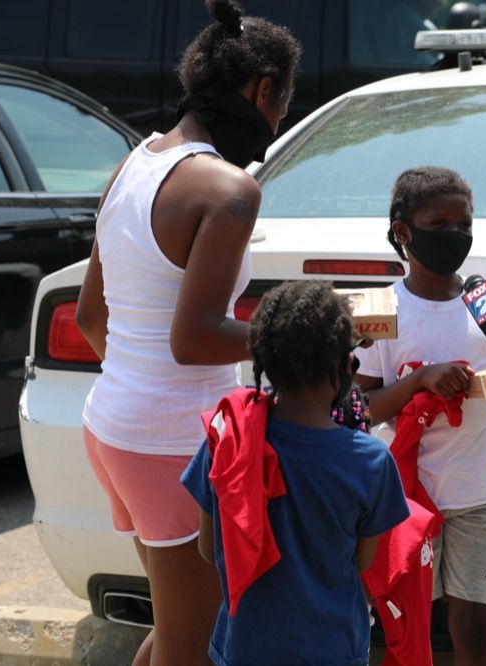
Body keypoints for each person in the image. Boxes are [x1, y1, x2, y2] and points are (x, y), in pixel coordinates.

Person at [73, 1, 300, 664]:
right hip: (173, 443)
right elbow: (195, 339)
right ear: (264, 91)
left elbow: (93, 317)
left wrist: (136, 396)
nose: (278, 120)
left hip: (114, 428)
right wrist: (302, 336)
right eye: (283, 103)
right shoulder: (230, 189)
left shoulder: (133, 164)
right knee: (191, 643)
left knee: (176, 629)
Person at [181, 280, 410, 665]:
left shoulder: (228, 437)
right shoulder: (370, 461)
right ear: (344, 365)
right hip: (331, 648)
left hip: (244, 648)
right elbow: (361, 562)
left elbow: (208, 548)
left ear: (265, 359)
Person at [354, 167, 486, 666]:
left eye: (463, 224)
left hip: (476, 487)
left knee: (473, 623)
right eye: (439, 223)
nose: (455, 236)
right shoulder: (380, 309)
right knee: (406, 617)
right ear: (403, 232)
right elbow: (357, 411)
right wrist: (418, 382)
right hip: (402, 495)